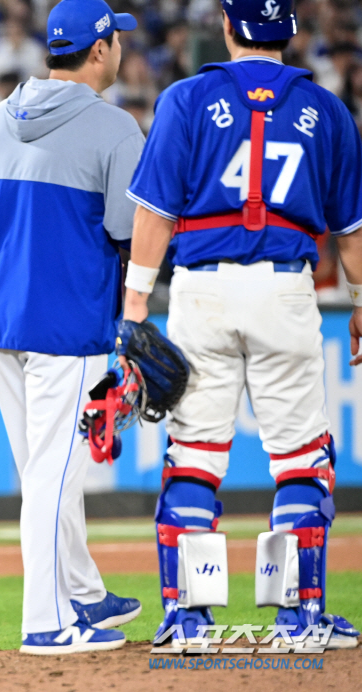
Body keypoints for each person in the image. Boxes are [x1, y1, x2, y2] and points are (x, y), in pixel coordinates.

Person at [120, 0, 362, 650]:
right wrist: (361, 300)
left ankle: (190, 620)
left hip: (204, 290)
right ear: (290, 34)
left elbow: (154, 215)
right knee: (300, 461)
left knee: (196, 457)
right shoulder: (328, 109)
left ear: (227, 27)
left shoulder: (186, 98)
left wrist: (135, 305)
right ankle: (297, 619)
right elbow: (350, 231)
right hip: (286, 287)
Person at [0, 0, 145, 655]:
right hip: (67, 328)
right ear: (99, 50)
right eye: (116, 38)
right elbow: (131, 238)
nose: (121, 48)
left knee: (45, 470)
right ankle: (45, 621)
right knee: (50, 475)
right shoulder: (116, 129)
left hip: (1, 326)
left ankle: (83, 594)